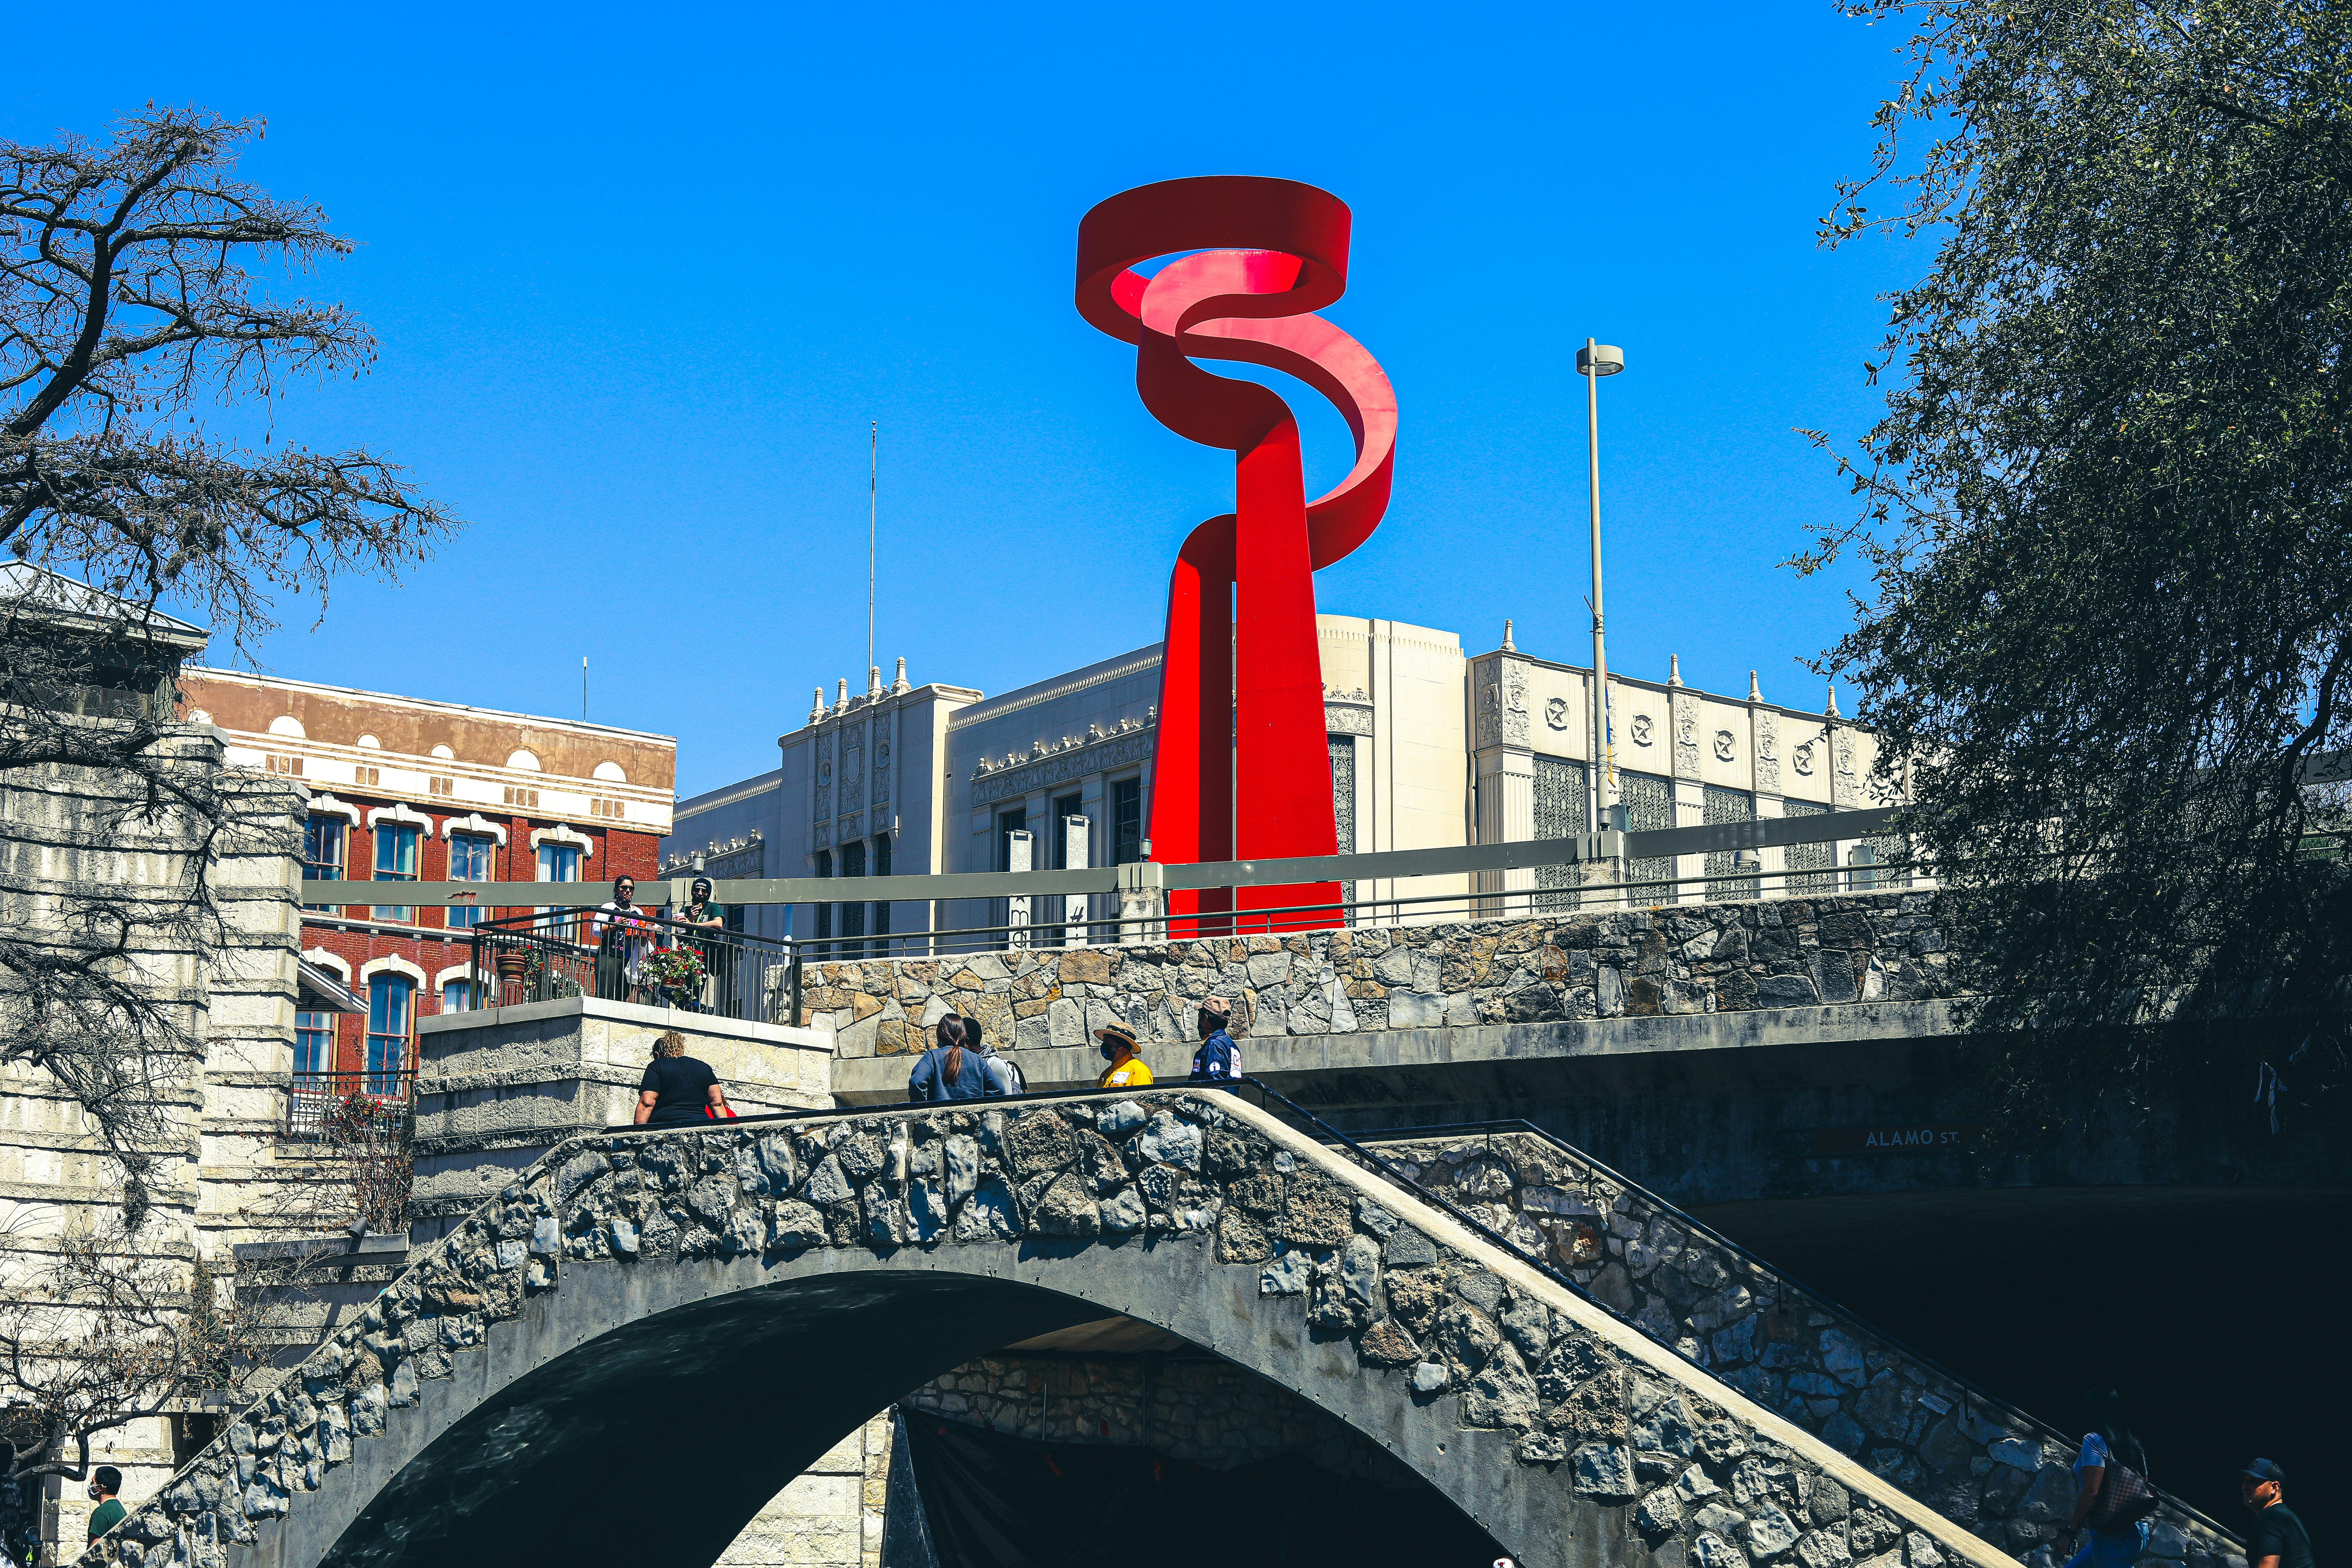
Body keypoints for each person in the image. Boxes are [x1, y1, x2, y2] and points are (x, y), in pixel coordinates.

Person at [2056, 1387, 2151, 1568]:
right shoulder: (2134, 1445)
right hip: (2135, 1530)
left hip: (2115, 1535)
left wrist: (2070, 1531)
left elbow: (2092, 1492)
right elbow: (2144, 1487)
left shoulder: (2095, 1441)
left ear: (2092, 1412)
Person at [635, 1029, 727, 1126]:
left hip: (665, 1126)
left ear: (658, 1055)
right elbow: (717, 1104)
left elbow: (647, 1103)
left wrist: (636, 1133)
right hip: (700, 1125)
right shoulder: (704, 1067)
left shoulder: (656, 1066)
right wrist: (724, 1132)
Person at [2240, 1460, 2314, 1568]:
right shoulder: (2283, 1517)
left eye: (2254, 1481)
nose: (2245, 1486)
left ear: (2274, 1488)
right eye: (2245, 1480)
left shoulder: (2270, 1521)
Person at [676, 875, 731, 1015]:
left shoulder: (712, 907)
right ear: (692, 892)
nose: (700, 893)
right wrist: (691, 918)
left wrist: (694, 924)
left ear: (708, 894)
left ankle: (696, 1008)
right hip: (686, 955)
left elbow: (719, 923)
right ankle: (699, 1008)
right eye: (697, 890)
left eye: (704, 891)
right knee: (676, 987)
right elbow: (678, 934)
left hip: (703, 956)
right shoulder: (686, 909)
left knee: (697, 989)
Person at [593, 876, 653, 1003]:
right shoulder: (608, 907)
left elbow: (642, 937)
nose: (628, 891)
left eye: (631, 888)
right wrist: (616, 925)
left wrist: (643, 935)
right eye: (624, 887)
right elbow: (596, 932)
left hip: (631, 958)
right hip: (609, 954)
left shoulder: (638, 912)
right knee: (604, 993)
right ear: (616, 890)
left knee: (623, 996)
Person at [909, 1016, 993, 1101]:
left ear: (939, 1037)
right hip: (973, 1114)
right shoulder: (977, 1060)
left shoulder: (932, 1057)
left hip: (940, 1114)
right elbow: (998, 1090)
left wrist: (923, 1109)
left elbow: (916, 1082)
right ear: (963, 1035)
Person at [961, 1015, 1024, 1095]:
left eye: (958, 1039)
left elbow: (1007, 1097)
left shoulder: (994, 1064)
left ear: (967, 1042)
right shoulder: (969, 1063)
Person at [1189, 995, 1241, 1087]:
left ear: (1205, 1019)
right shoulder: (1231, 1045)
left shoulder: (1214, 1045)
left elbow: (1215, 1085)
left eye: (1199, 1017)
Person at [1096, 1022, 1153, 1089]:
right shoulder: (1105, 1074)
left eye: (1107, 1041)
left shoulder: (1139, 1071)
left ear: (1121, 1045)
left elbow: (1141, 1098)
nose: (1104, 1045)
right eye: (1104, 1042)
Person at [85, 1468, 124, 1544]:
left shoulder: (101, 1513)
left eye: (93, 1483)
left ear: (100, 1488)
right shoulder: (120, 1509)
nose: (91, 1486)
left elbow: (94, 1551)